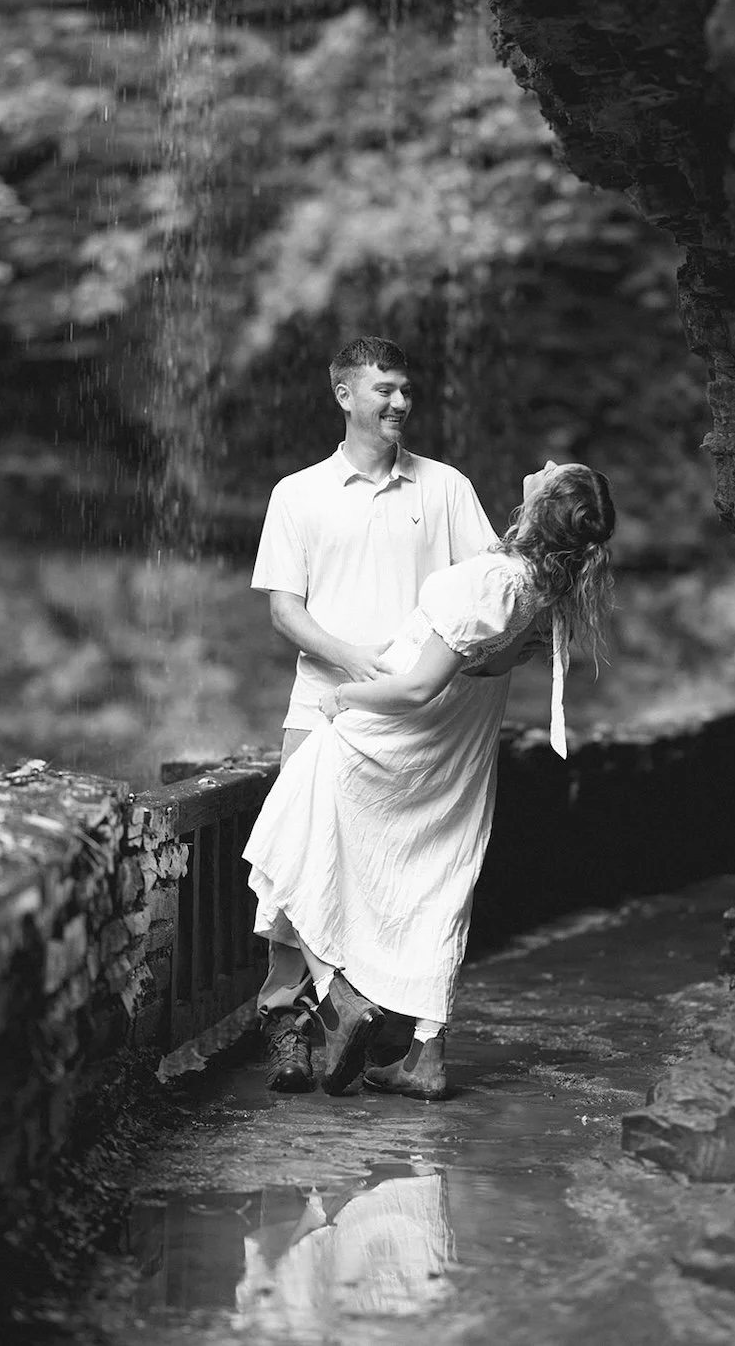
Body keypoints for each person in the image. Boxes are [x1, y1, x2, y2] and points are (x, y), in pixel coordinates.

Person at [243, 460, 615, 1101]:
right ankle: (425, 1056)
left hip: (389, 740)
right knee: (434, 885)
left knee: (281, 850)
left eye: (557, 470)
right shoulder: (540, 585)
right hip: (450, 753)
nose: (544, 463)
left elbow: (416, 687)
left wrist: (347, 700)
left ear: (547, 501)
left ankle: (339, 997)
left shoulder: (489, 579)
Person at [251, 337, 498, 1092]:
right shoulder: (298, 493)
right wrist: (358, 663)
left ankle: (369, 1018)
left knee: (397, 872)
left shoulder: (446, 489)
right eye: (384, 389)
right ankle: (294, 1023)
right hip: (322, 707)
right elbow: (284, 613)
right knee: (294, 868)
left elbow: (491, 587)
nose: (398, 403)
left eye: (406, 390)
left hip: (414, 726)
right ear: (343, 394)